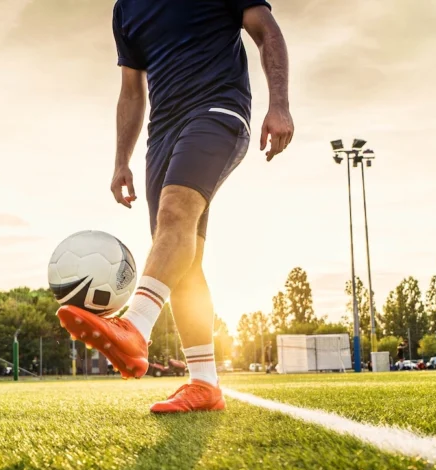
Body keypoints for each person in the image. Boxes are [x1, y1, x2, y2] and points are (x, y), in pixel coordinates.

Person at [56, 0, 293, 413]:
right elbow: (132, 90)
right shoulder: (126, 8)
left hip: (218, 109)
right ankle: (204, 385)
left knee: (175, 213)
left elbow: (265, 30)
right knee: (183, 259)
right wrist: (120, 161)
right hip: (162, 132)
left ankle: (135, 328)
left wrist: (279, 104)